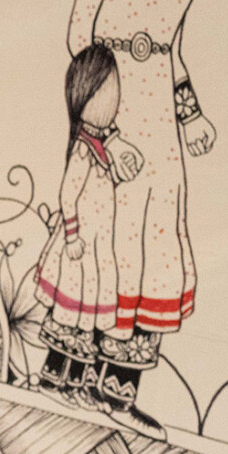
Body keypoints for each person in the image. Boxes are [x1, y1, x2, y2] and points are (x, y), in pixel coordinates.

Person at [59, 0, 208, 437]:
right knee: (103, 237)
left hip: (160, 125)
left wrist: (190, 111)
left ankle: (120, 389)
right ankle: (71, 376)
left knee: (155, 243)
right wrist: (104, 126)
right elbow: (79, 38)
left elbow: (175, 46)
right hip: (110, 104)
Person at [32, 44, 139, 409]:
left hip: (98, 250)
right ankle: (53, 377)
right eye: (104, 91)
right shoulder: (83, 149)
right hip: (80, 250)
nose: (113, 100)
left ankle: (75, 383)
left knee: (85, 324)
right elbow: (68, 195)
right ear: (84, 96)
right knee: (70, 318)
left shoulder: (102, 149)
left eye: (115, 90)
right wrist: (72, 234)